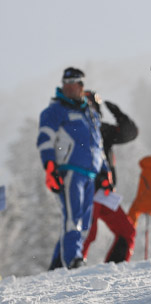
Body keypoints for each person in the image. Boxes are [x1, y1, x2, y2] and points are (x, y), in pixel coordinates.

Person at [37, 67, 112, 270]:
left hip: (90, 173)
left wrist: (105, 172)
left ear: (81, 86)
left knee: (85, 222)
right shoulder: (56, 110)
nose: (69, 88)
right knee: (73, 217)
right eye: (65, 84)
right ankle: (72, 260)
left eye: (73, 84)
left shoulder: (90, 113)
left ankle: (57, 265)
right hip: (69, 170)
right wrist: (50, 165)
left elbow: (98, 144)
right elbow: (45, 140)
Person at [81, 90, 138, 264]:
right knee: (86, 233)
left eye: (93, 105)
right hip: (87, 190)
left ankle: (115, 268)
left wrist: (119, 115)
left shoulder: (103, 130)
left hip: (105, 193)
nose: (91, 109)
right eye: (87, 105)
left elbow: (128, 133)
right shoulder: (76, 129)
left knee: (126, 231)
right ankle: (68, 270)